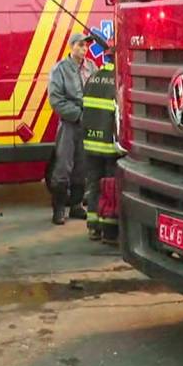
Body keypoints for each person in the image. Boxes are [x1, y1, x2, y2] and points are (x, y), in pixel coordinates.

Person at [48, 32, 95, 225]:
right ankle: (59, 209)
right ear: (71, 46)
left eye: (86, 46)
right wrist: (79, 115)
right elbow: (56, 100)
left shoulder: (92, 67)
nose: (84, 49)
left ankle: (76, 206)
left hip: (87, 126)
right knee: (62, 168)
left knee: (81, 168)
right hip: (69, 125)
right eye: (80, 45)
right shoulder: (60, 69)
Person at [82, 51, 120, 242]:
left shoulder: (93, 77)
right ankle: (109, 229)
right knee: (111, 187)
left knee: (93, 185)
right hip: (110, 144)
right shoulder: (119, 80)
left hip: (90, 142)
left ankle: (93, 226)